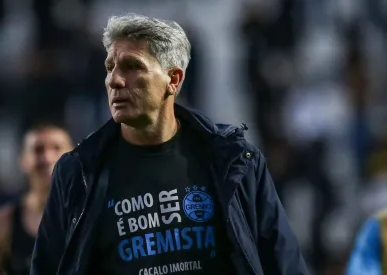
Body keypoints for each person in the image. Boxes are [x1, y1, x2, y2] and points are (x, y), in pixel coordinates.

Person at [31, 13, 308, 275]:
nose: (114, 80)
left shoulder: (235, 161)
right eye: (110, 67)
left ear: (173, 80)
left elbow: (283, 265)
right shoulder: (77, 173)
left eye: (132, 67)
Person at [0, 123, 73, 275]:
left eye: (56, 148)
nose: (47, 157)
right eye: (38, 150)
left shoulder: (94, 215)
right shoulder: (0, 225)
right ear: (23, 161)